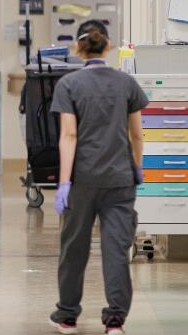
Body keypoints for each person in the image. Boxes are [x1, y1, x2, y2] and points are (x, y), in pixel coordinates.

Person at [48, 23, 149, 335]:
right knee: (116, 249)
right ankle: (115, 321)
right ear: (108, 47)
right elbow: (136, 134)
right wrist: (136, 168)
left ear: (79, 49)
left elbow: (69, 135)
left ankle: (67, 316)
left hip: (82, 180)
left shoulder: (69, 84)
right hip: (120, 179)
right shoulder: (126, 83)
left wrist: (64, 183)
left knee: (74, 247)